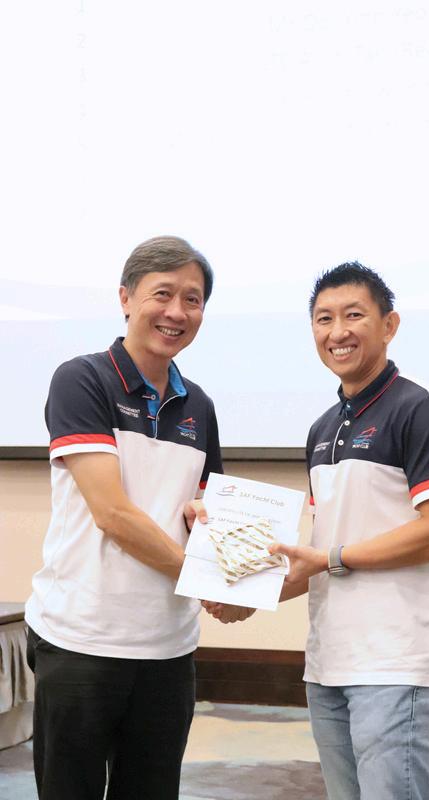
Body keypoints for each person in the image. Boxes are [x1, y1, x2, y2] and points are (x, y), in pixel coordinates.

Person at [24, 235, 248, 800]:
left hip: (168, 648)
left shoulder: (199, 406)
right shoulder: (82, 379)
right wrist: (206, 580)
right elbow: (113, 514)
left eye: (193, 299)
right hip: (81, 640)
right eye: (162, 294)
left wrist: (238, 573)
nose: (177, 312)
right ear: (126, 298)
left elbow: (209, 513)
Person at [270, 262, 429, 800]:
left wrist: (332, 557)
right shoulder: (322, 429)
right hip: (330, 659)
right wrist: (248, 592)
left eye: (354, 315)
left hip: (398, 658)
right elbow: (321, 550)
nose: (337, 331)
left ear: (389, 326)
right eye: (324, 319)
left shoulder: (423, 411)